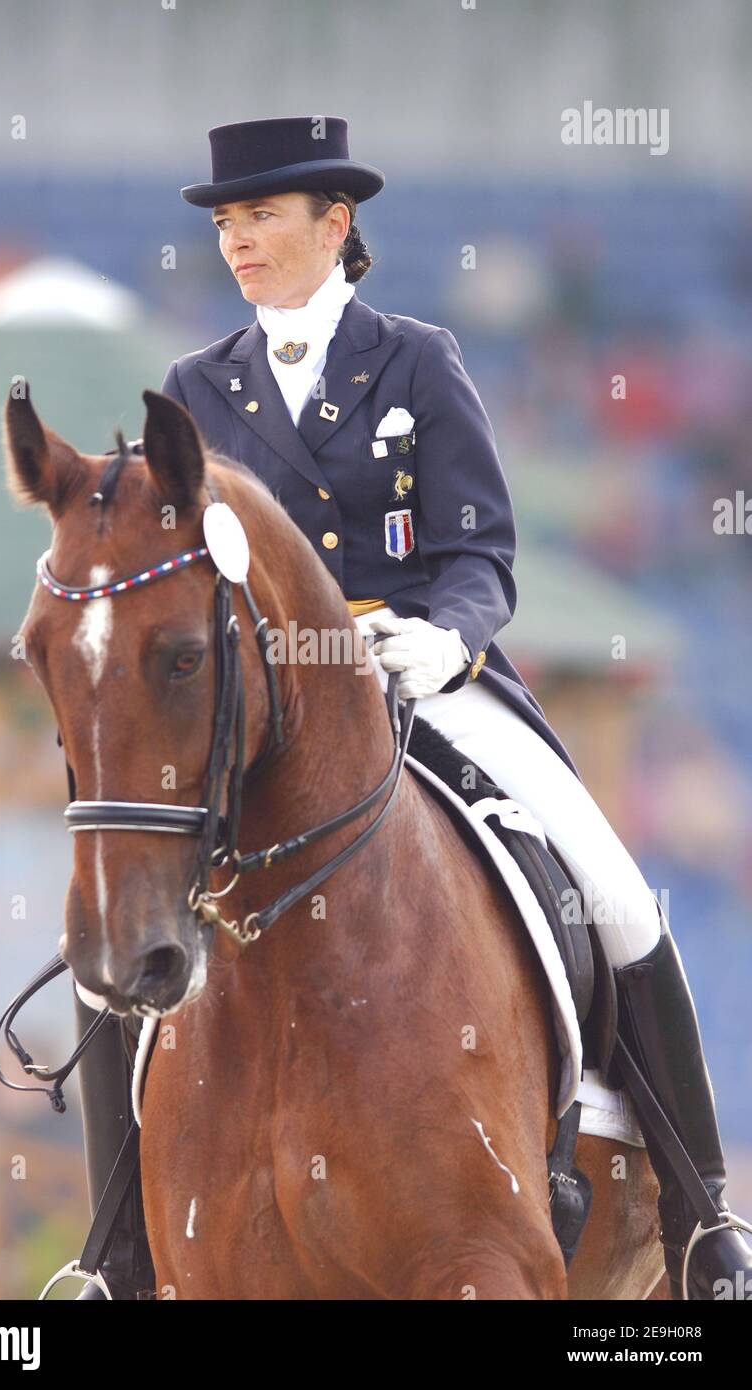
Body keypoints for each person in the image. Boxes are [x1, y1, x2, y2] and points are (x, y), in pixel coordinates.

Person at [68, 115, 752, 1301]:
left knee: (606, 880)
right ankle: (114, 1256)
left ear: (334, 225)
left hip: (420, 673)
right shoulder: (193, 391)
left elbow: (481, 548)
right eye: (227, 222)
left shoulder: (416, 361)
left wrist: (445, 633)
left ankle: (701, 1220)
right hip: (255, 713)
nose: (239, 241)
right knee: (107, 941)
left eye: (262, 217)